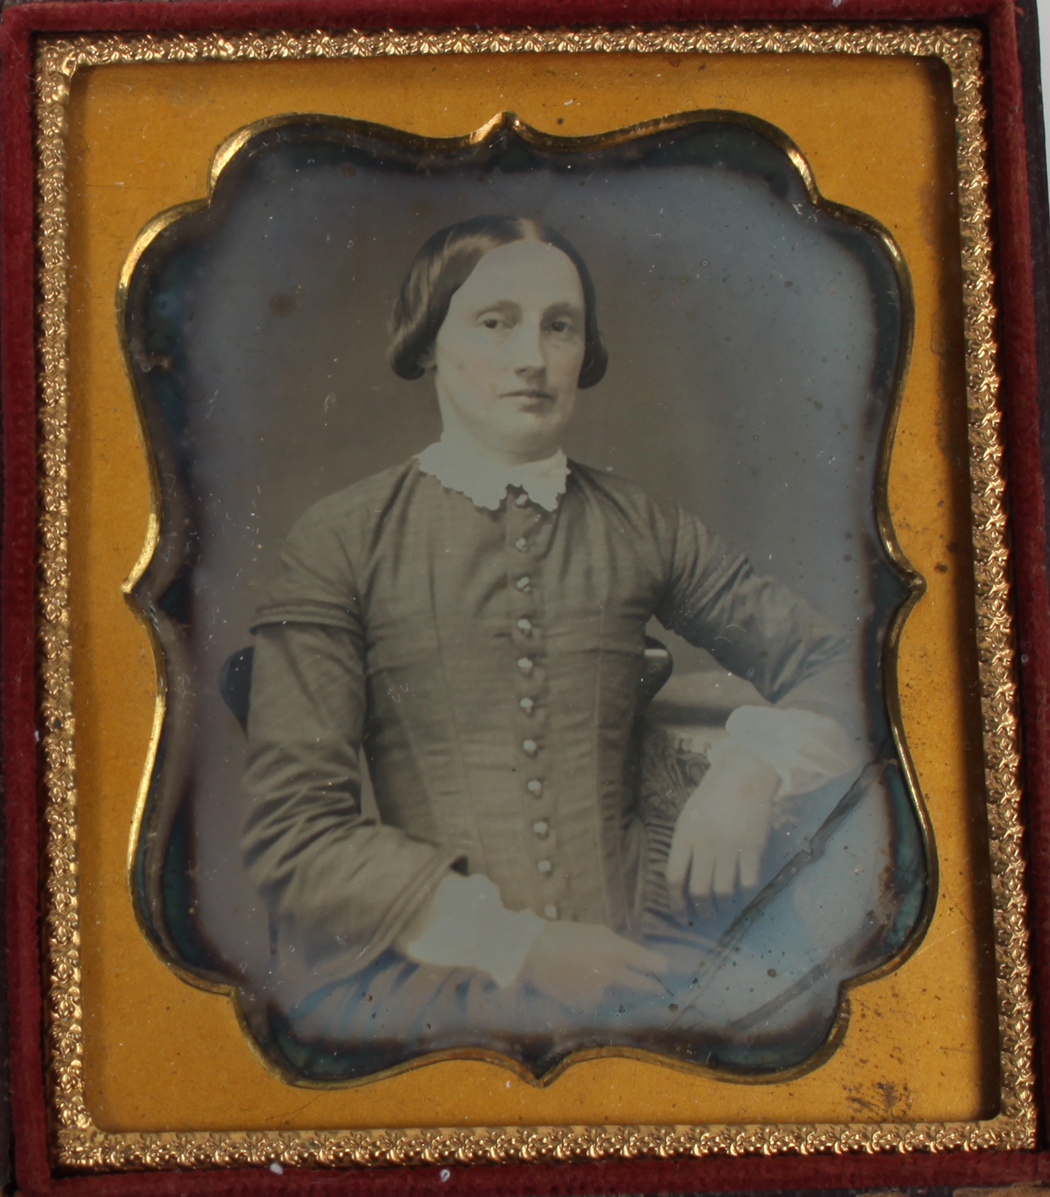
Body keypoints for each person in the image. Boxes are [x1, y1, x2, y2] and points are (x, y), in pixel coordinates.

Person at [240, 215, 861, 1081]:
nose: (531, 356)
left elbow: (846, 670)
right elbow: (292, 833)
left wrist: (751, 768)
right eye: (495, 322)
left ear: (583, 353)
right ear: (430, 341)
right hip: (439, 997)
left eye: (559, 325)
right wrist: (516, 944)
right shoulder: (342, 538)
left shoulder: (644, 526)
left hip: (657, 977)